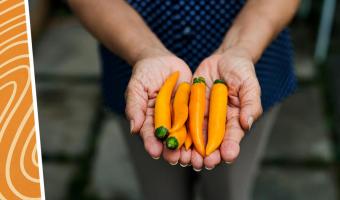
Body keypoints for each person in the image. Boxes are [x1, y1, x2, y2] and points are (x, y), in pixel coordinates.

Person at [68, 0, 300, 199]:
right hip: (136, 67)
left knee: (228, 192)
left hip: (248, 65)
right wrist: (143, 51)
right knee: (160, 192)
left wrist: (242, 48)